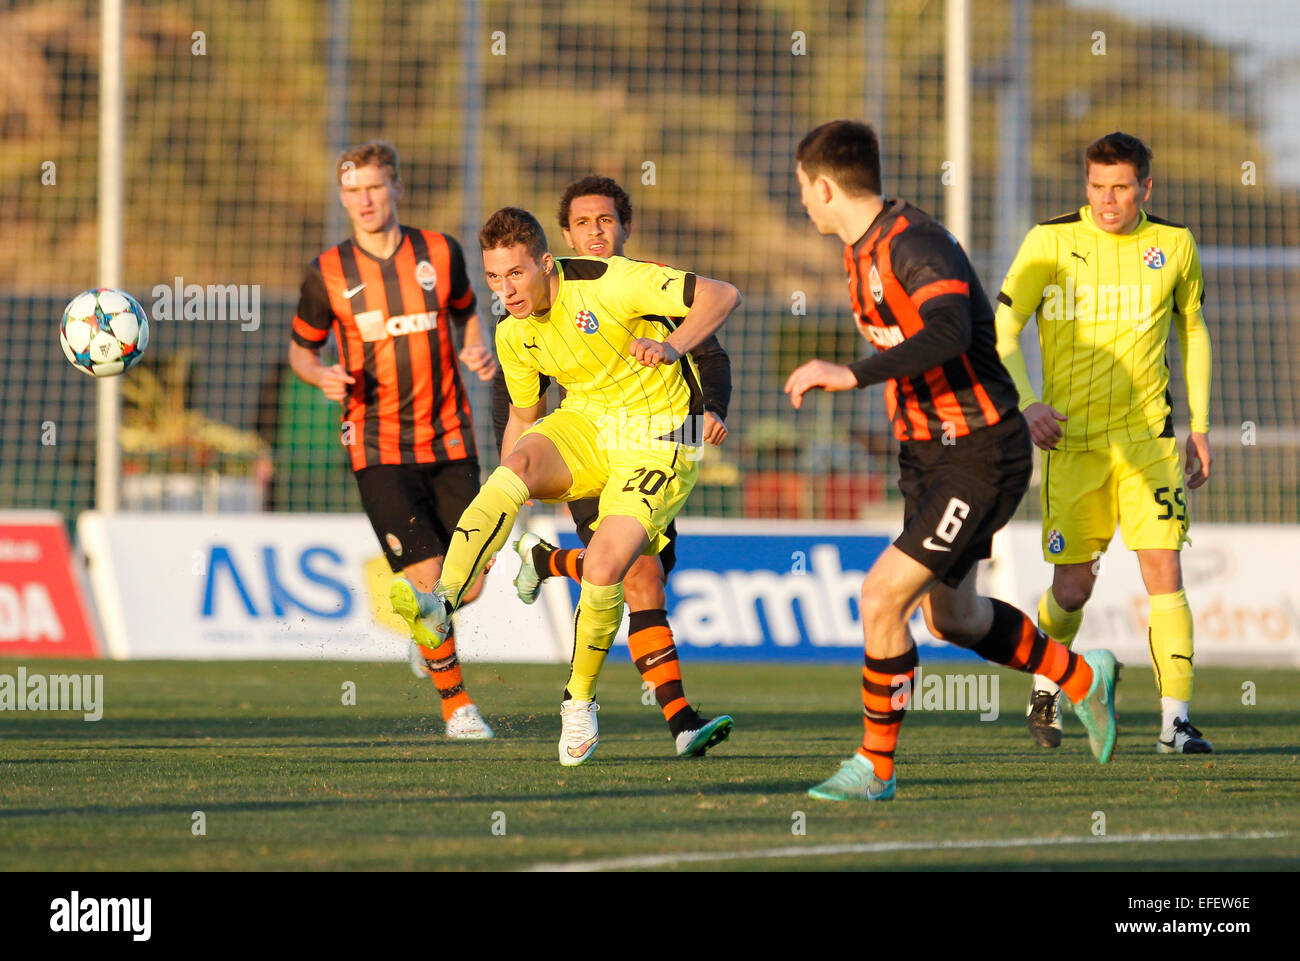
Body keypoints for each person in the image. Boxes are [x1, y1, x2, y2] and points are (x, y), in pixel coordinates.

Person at [785, 119, 1120, 802]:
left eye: (802, 189)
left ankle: (875, 766)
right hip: (929, 457)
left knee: (880, 598)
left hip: (978, 452)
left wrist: (851, 374)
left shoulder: (914, 244)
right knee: (953, 619)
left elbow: (950, 330)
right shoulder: (861, 249)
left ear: (823, 187)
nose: (802, 202)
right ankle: (1083, 677)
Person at [399, 205, 741, 766]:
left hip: (659, 437)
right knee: (513, 471)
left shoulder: (611, 281)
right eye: (492, 277)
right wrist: (504, 500)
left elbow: (723, 295)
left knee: (613, 569)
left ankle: (578, 700)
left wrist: (673, 348)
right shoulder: (513, 333)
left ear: (546, 263)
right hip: (586, 424)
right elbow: (523, 419)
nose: (505, 291)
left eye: (515, 274)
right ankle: (443, 600)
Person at [494, 176, 734, 758]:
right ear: (565, 236)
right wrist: (513, 480)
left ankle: (549, 562)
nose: (595, 231)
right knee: (631, 575)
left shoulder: (646, 285)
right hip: (596, 448)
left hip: (660, 442)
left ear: (624, 226)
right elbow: (528, 404)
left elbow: (711, 350)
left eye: (605, 220)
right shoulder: (552, 298)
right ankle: (667, 721)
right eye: (582, 223)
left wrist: (715, 408)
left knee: (642, 578)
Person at [995, 132, 1213, 754]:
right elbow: (1002, 329)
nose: (1107, 200)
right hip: (1074, 443)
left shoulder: (1174, 245)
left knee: (1164, 572)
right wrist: (1026, 402)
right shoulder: (1049, 242)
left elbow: (1194, 331)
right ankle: (1047, 686)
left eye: (1120, 187)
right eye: (1096, 186)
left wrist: (1199, 425)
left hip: (1150, 440)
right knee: (1073, 588)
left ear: (1146, 186)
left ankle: (1175, 721)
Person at [288, 140, 498, 739]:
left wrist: (474, 345)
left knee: (472, 578)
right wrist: (320, 374)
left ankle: (429, 629)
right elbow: (302, 351)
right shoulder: (328, 272)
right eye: (353, 191)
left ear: (397, 188)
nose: (365, 200)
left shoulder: (439, 252)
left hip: (449, 434)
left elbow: (467, 310)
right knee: (429, 578)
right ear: (342, 197)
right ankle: (456, 706)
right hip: (375, 443)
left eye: (375, 187)